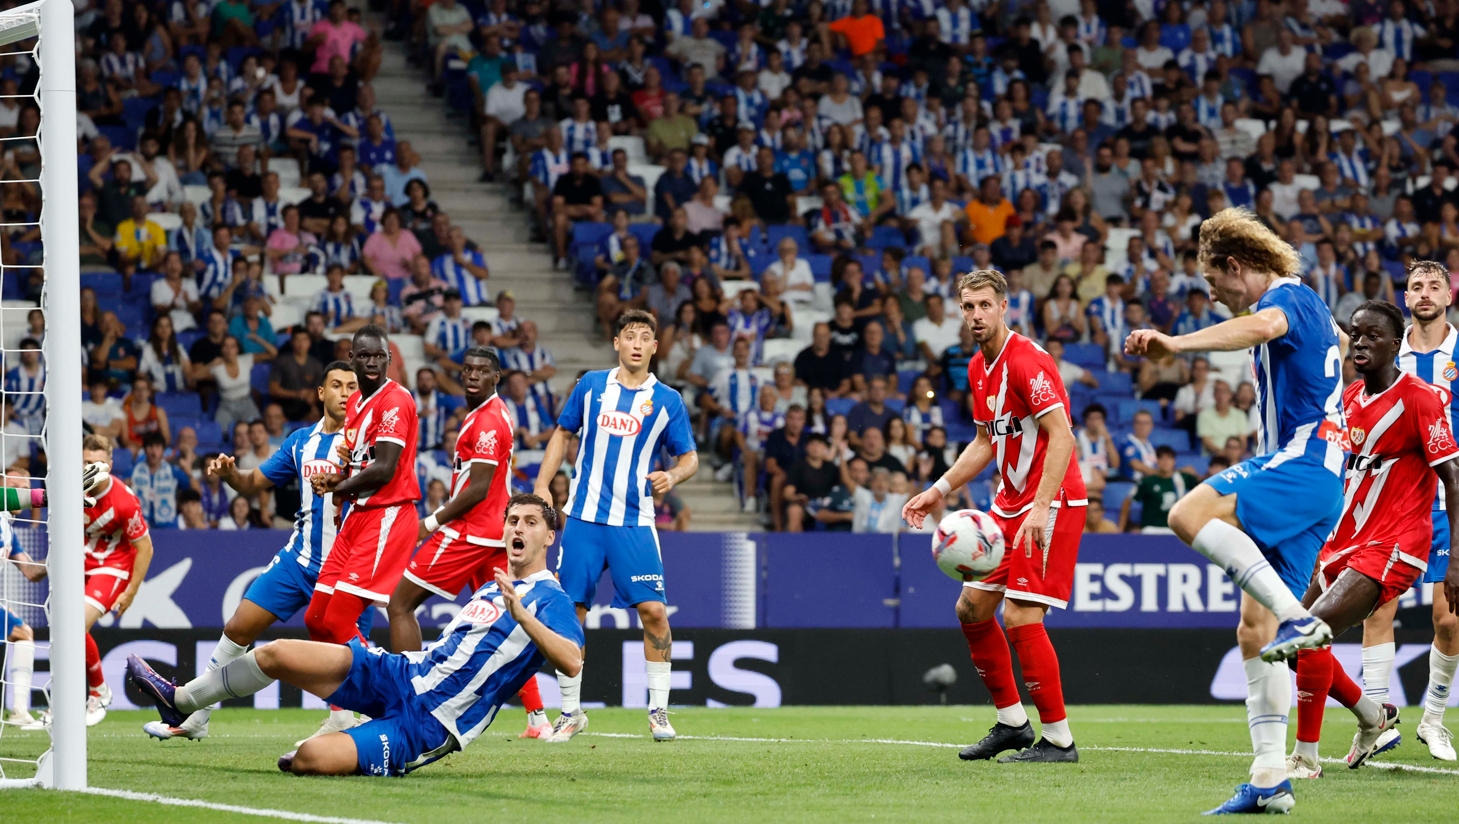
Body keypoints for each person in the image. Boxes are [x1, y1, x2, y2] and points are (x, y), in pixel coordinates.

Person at [1123, 208, 1346, 815]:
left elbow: (1262, 325)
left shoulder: (1287, 299)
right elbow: (1347, 354)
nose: (1215, 296)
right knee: (1254, 630)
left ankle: (1301, 618)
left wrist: (1178, 343)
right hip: (1321, 476)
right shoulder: (1317, 310)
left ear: (1235, 266)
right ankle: (1271, 776)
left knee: (1187, 514)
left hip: (1303, 463)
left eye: (1213, 284)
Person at [127, 493, 584, 777]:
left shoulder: (552, 599)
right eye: (513, 520)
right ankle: (181, 702)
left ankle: (341, 746)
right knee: (276, 654)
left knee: (306, 759)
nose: (517, 528)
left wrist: (525, 618)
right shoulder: (493, 584)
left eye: (530, 523)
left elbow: (572, 660)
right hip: (403, 673)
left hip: (429, 723)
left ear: (548, 538)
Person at [902, 269, 1086, 764]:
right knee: (972, 609)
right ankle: (1011, 724)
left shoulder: (1027, 362)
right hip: (1007, 504)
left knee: (1020, 614)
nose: (976, 315)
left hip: (1052, 500)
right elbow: (987, 440)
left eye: (985, 305)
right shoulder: (977, 367)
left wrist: (1040, 508)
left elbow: (1063, 436)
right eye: (968, 307)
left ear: (1004, 307)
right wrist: (938, 490)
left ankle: (1060, 741)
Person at [142, 364, 363, 741]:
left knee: (343, 653)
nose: (345, 393)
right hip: (299, 559)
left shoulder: (366, 442)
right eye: (337, 385)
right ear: (321, 393)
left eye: (353, 387)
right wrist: (231, 474)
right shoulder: (300, 441)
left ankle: (346, 722)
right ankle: (198, 715)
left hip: (346, 566)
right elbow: (254, 482)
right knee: (238, 627)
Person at [1286, 300, 1458, 778]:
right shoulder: (1350, 399)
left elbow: (1454, 477)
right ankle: (1373, 715)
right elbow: (1335, 462)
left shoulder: (1422, 398)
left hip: (1395, 541)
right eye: (1355, 335)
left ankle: (1305, 757)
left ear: (1396, 343)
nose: (1360, 343)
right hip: (1344, 540)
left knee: (1309, 633)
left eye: (1372, 336)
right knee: (1288, 643)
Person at [531, 309, 698, 743]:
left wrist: (673, 476)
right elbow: (562, 434)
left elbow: (689, 457)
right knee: (572, 615)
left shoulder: (667, 401)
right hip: (585, 520)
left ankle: (658, 711)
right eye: (630, 335)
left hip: (634, 523)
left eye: (646, 336)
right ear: (617, 343)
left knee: (654, 613)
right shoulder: (590, 386)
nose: (637, 343)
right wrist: (543, 485)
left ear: (655, 348)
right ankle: (570, 713)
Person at [386, 349, 549, 738]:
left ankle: (404, 701)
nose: (473, 376)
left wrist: (431, 521)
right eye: (468, 370)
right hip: (493, 534)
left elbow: (477, 489)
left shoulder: (489, 421)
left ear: (497, 376)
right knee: (506, 620)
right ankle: (538, 717)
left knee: (400, 604)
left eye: (482, 371)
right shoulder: (485, 415)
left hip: (471, 532)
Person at [1361, 259, 1459, 762]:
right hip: (1390, 503)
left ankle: (1434, 720)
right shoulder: (1382, 352)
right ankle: (1377, 719)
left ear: (1449, 294)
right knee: (1379, 608)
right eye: (1416, 286)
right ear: (1405, 299)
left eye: (1434, 285)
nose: (1424, 293)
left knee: (1450, 620)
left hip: (1445, 501)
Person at [303, 327, 421, 662]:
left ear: (389, 359)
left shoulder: (395, 401)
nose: (372, 362)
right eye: (364, 355)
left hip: (386, 514)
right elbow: (360, 466)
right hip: (355, 518)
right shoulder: (355, 402)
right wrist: (336, 478)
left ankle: (397, 690)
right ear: (352, 358)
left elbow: (383, 469)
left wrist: (338, 487)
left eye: (379, 356)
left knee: (340, 619)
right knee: (317, 620)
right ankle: (344, 715)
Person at [1, 510, 46, 727]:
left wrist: (55, 558)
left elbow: (30, 571)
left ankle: (19, 709)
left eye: (28, 484)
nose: (25, 488)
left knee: (23, 633)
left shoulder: (7, 528)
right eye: (19, 482)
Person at [1120, 445, 1199, 533]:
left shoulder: (1183, 478)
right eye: (1162, 458)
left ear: (1174, 461)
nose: (1166, 462)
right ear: (1157, 461)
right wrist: (1121, 528)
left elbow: (1203, 489)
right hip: (1151, 528)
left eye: (1169, 458)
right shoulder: (1147, 481)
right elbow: (1128, 501)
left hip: (1175, 529)